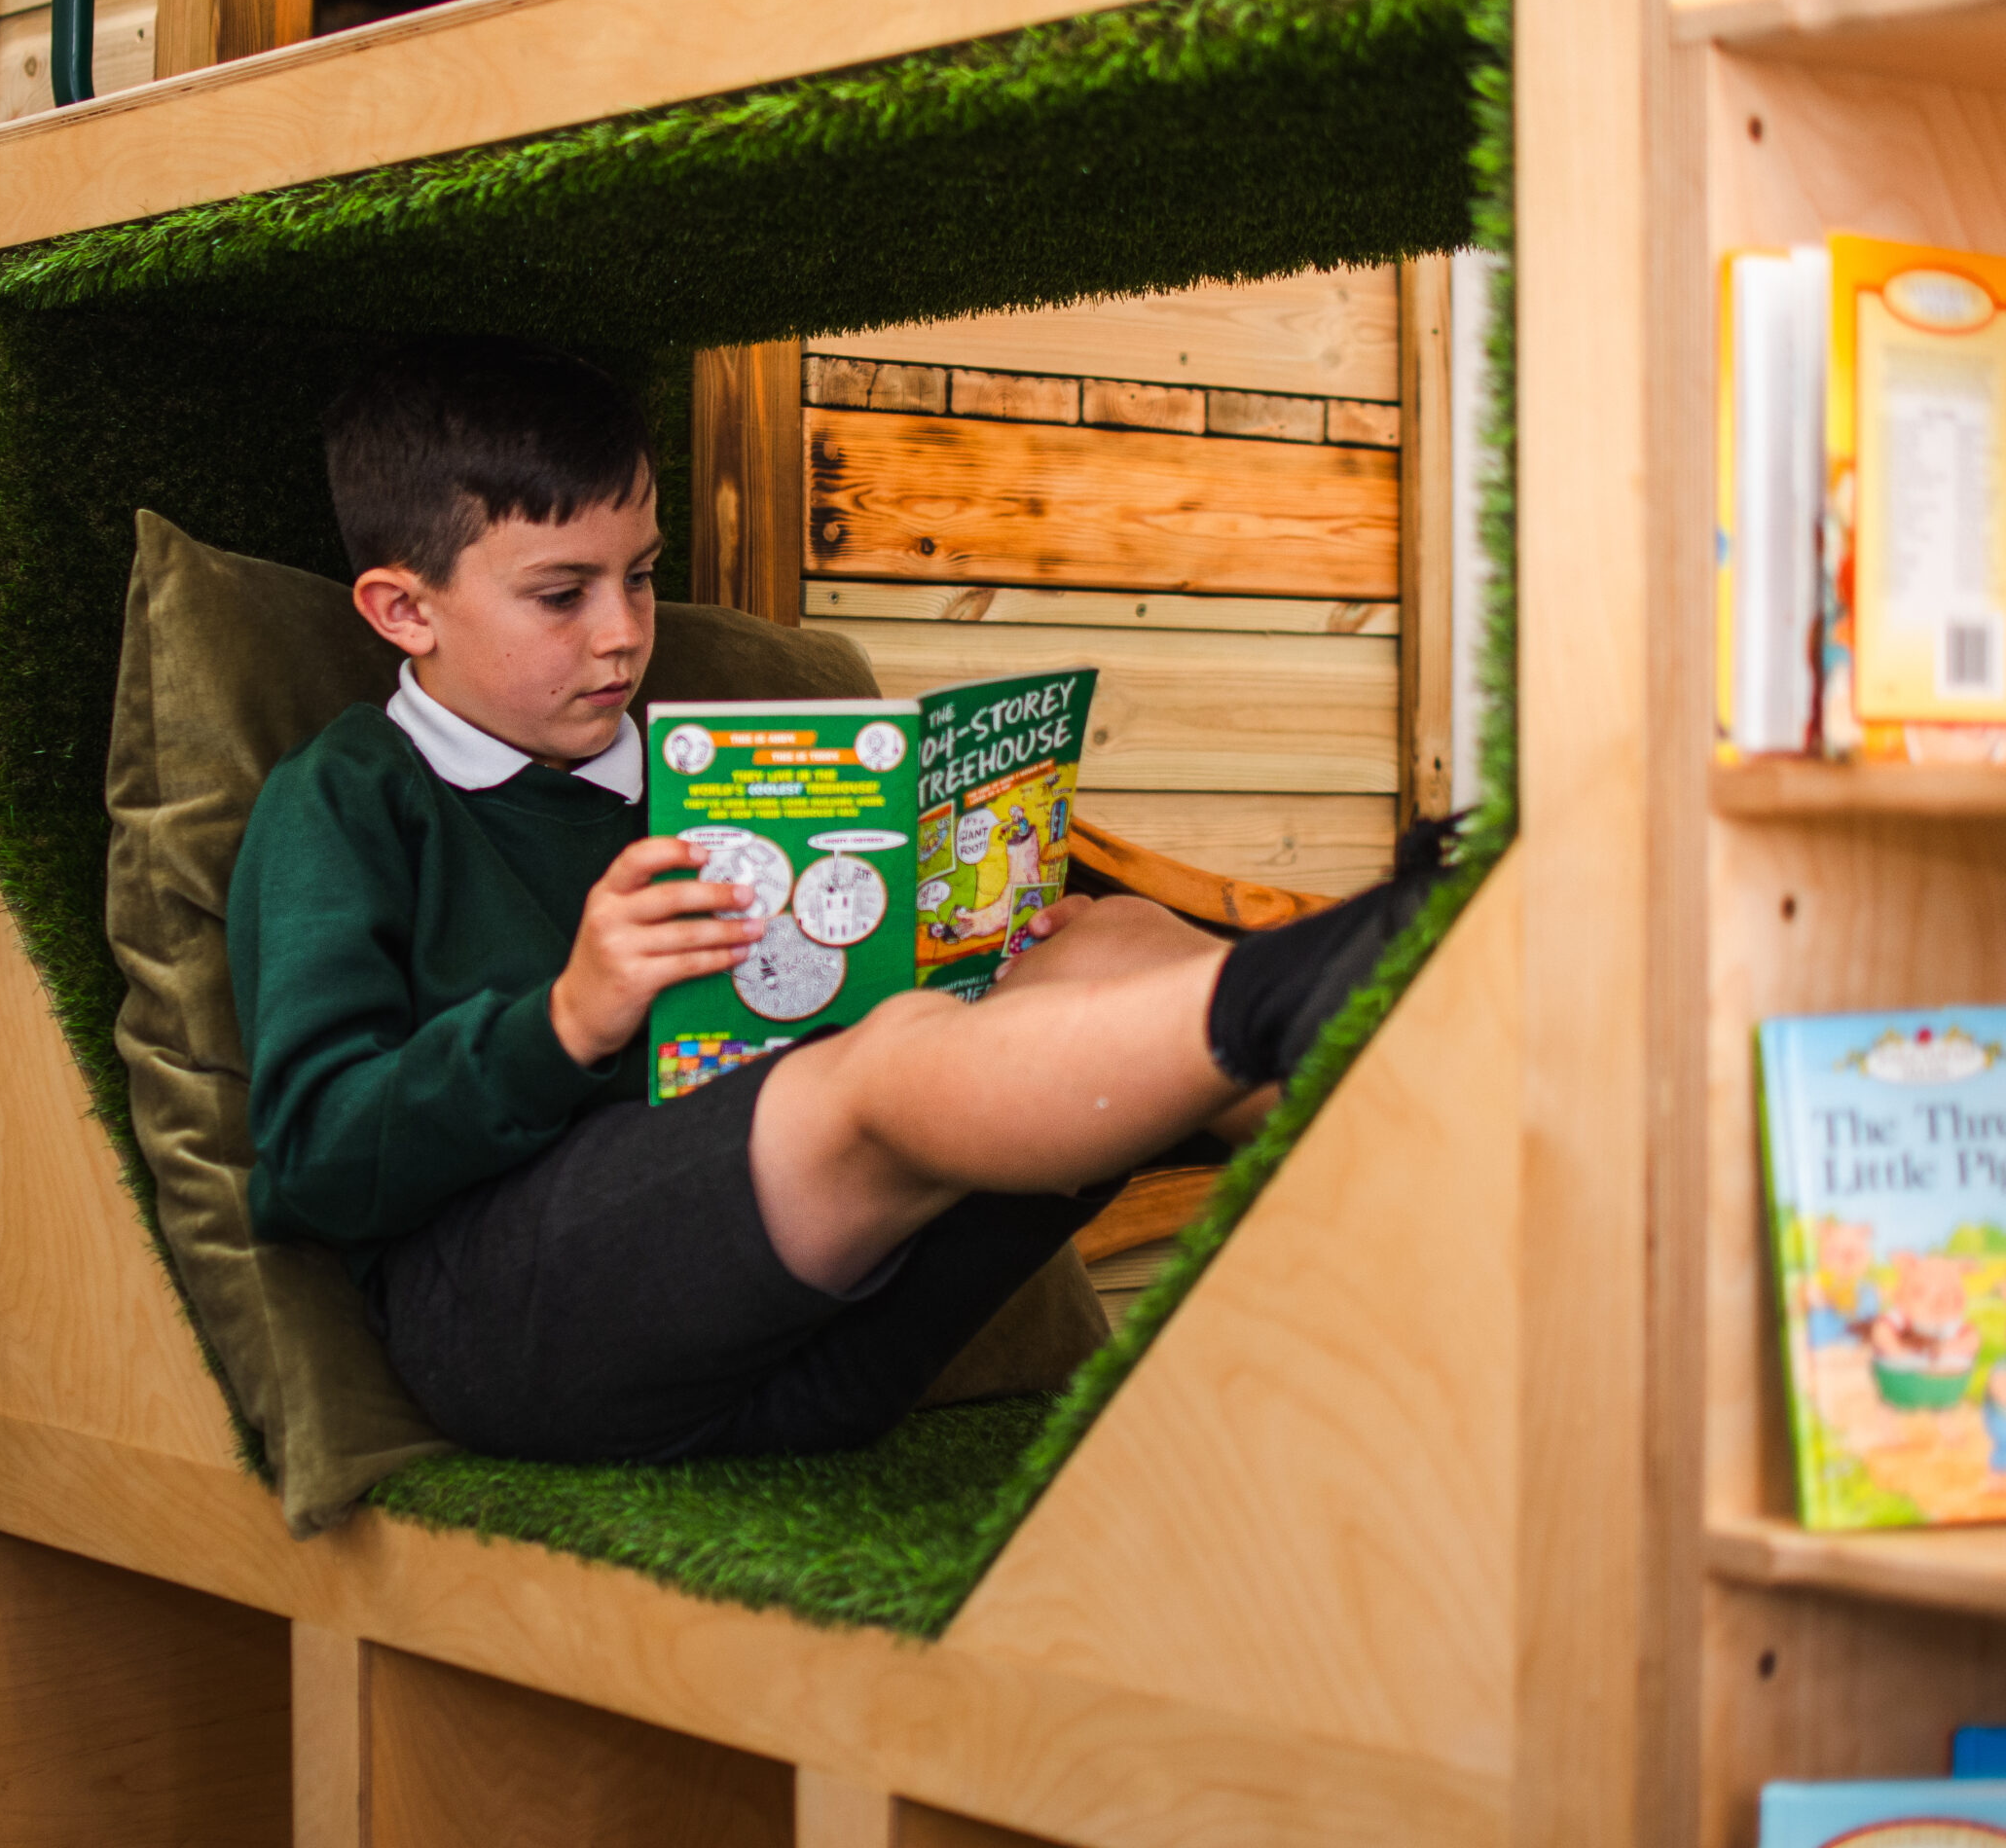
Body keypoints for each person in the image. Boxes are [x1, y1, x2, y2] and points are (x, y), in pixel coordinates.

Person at [228, 339, 1445, 1464]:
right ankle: (1337, 958)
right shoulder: (347, 800)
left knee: (1109, 940)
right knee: (877, 1069)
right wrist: (563, 1023)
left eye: (641, 579)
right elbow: (314, 1161)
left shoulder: (708, 770)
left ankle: (1454, 1181)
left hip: (830, 1340)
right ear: (403, 609)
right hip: (522, 1335)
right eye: (563, 594)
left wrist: (977, 950)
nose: (622, 635)